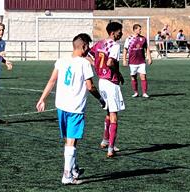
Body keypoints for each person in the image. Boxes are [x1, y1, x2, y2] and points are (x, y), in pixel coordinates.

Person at [36, 33, 105, 185]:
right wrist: (100, 98)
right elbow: (90, 86)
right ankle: (67, 176)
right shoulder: (84, 63)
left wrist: (42, 99)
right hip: (75, 107)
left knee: (70, 140)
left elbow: (52, 80)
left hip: (61, 106)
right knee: (71, 142)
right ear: (84, 46)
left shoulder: (61, 60)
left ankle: (73, 169)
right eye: (88, 47)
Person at [89, 22, 125, 158]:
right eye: (119, 31)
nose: (121, 33)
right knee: (114, 116)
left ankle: (105, 140)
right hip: (111, 81)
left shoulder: (100, 43)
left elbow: (88, 55)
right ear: (113, 33)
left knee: (109, 113)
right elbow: (110, 63)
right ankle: (111, 148)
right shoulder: (115, 45)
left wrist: (97, 66)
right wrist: (119, 74)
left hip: (102, 81)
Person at [123, 24, 152, 98]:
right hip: (132, 61)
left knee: (143, 76)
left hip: (141, 61)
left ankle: (144, 93)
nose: (140, 30)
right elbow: (125, 50)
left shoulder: (143, 39)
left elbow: (147, 49)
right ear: (135, 29)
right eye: (139, 29)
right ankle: (136, 92)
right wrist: (124, 60)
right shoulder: (129, 39)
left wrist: (149, 58)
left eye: (140, 29)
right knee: (133, 77)